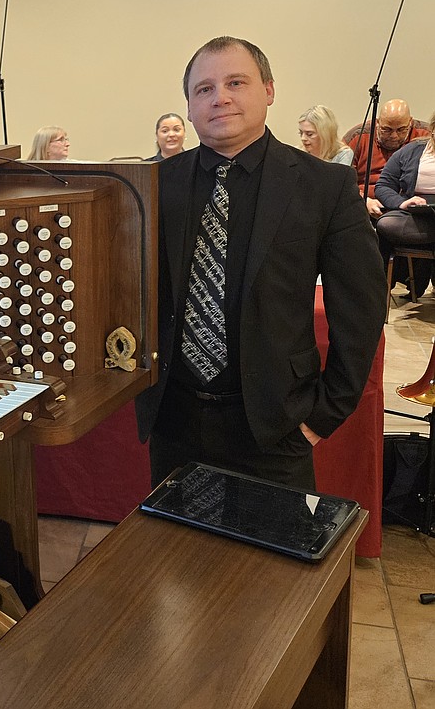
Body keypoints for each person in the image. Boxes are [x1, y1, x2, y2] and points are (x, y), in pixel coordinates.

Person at [135, 36, 384, 491]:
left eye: (236, 82)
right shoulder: (154, 184)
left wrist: (323, 416)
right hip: (174, 420)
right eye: (203, 89)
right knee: (179, 557)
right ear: (189, 108)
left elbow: (362, 309)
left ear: (268, 90)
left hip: (276, 426)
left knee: (269, 559)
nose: (220, 97)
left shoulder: (324, 186)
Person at [373, 113, 435, 296]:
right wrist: (403, 203)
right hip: (417, 213)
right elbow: (383, 185)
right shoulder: (412, 150)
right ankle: (379, 290)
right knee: (385, 224)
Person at [346, 99, 431, 216]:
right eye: (387, 130)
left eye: (401, 129)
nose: (394, 136)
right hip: (362, 204)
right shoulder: (358, 137)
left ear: (410, 122)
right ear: (377, 123)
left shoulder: (424, 137)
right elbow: (342, 182)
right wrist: (363, 200)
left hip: (407, 207)